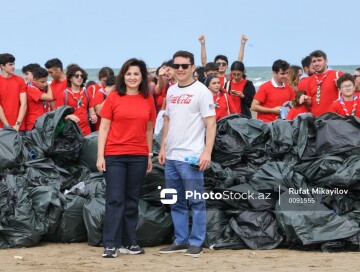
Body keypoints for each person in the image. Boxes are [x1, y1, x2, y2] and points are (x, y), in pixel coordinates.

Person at [158, 50, 216, 258]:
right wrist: (163, 147)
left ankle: (196, 242)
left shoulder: (202, 92)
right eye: (177, 66)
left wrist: (207, 152)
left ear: (193, 67)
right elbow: (167, 120)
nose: (180, 69)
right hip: (171, 156)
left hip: (191, 156)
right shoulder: (171, 91)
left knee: (196, 200)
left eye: (184, 66)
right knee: (175, 200)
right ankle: (181, 239)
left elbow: (211, 124)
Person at [97, 58, 156, 258]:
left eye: (136, 74)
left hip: (139, 156)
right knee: (114, 200)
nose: (132, 77)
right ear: (124, 76)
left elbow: (149, 130)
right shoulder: (113, 97)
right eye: (129, 74)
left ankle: (129, 242)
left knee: (132, 200)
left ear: (142, 77)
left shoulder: (148, 99)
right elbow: (103, 128)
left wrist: (149, 155)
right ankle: (110, 245)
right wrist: (100, 156)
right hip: (114, 155)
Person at [55, 65, 97, 136]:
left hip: (86, 132)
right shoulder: (63, 95)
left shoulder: (86, 93)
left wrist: (93, 116)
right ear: (70, 78)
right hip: (71, 133)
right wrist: (69, 117)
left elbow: (91, 110)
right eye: (77, 76)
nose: (80, 78)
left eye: (81, 76)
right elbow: (58, 115)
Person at [299, 50, 343, 117]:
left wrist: (341, 86)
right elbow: (310, 104)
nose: (316, 63)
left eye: (319, 60)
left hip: (334, 119)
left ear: (326, 61)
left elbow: (352, 92)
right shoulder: (308, 80)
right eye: (314, 61)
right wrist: (306, 100)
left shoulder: (338, 74)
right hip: (316, 120)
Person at [0, 53, 27, 131]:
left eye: (14, 64)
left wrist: (18, 124)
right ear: (2, 66)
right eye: (10, 64)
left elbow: (24, 104)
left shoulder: (19, 80)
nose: (13, 67)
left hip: (19, 127)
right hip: (2, 127)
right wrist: (7, 125)